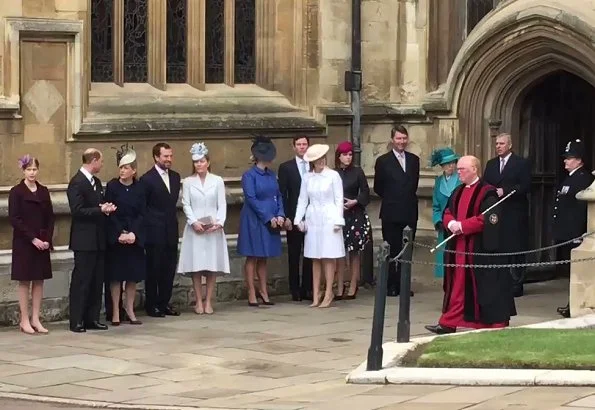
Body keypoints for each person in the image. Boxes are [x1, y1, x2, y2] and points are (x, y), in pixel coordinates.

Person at [425, 155, 516, 335]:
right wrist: (450, 223)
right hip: (458, 248)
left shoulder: (487, 192)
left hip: (478, 249)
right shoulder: (457, 191)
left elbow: (489, 219)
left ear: (474, 169)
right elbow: (448, 210)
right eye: (458, 169)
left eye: (462, 169)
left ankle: (491, 324)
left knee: (484, 289)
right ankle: (448, 322)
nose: (458, 173)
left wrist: (463, 226)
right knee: (457, 286)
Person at [177, 142, 230, 315]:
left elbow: (221, 203)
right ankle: (198, 301)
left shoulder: (217, 181)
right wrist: (193, 222)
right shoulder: (188, 182)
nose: (199, 164)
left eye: (202, 161)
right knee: (197, 265)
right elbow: (186, 203)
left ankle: (209, 301)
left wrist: (219, 222)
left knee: (211, 265)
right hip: (196, 228)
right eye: (196, 162)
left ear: (208, 162)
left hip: (213, 227)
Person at [67, 148, 115, 333]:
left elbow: (97, 204)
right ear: (93, 160)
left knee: (97, 280)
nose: (102, 165)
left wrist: (105, 207)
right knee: (82, 280)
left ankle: (92, 318)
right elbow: (77, 210)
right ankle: (77, 319)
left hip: (98, 239)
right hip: (84, 240)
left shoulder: (95, 182)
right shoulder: (77, 182)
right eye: (101, 161)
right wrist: (99, 210)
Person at [294, 144, 345, 308]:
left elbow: (339, 199)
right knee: (315, 256)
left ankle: (329, 291)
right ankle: (316, 294)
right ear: (312, 162)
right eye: (317, 159)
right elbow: (302, 199)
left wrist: (338, 220)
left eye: (323, 158)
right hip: (313, 217)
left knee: (328, 256)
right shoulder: (307, 177)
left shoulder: (333, 176)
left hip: (329, 216)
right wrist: (297, 219)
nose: (321, 161)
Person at [9, 155, 55, 334]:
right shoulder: (17, 191)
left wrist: (47, 239)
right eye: (29, 169)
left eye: (35, 169)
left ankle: (36, 318)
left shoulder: (43, 191)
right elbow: (15, 219)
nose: (32, 173)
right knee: (24, 281)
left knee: (39, 280)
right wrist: (32, 239)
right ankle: (24, 319)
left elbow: (50, 217)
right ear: (23, 171)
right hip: (24, 243)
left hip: (42, 242)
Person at [237, 136, 285, 307]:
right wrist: (268, 217)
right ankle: (251, 290)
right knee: (253, 255)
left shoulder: (272, 175)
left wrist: (280, 214)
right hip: (254, 219)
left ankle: (263, 290)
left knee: (264, 256)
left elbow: (278, 195)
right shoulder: (249, 176)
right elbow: (251, 198)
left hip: (271, 217)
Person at [373, 125, 419, 296]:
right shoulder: (383, 161)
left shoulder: (414, 160)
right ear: (392, 140)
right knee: (392, 249)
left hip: (409, 211)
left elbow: (413, 184)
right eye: (398, 138)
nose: (401, 142)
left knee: (407, 249)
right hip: (391, 212)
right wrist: (393, 197)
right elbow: (378, 187)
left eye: (404, 138)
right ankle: (391, 284)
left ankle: (404, 284)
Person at [483, 133, 531, 297]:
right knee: (498, 247)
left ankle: (517, 283)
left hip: (515, 212)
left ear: (509, 145)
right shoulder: (491, 164)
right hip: (496, 212)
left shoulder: (521, 163)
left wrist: (507, 191)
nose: (498, 146)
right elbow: (485, 184)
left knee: (516, 248)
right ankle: (500, 282)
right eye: (496, 144)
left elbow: (526, 185)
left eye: (502, 144)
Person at [104, 145, 145, 326]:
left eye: (126, 167)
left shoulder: (140, 188)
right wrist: (120, 233)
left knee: (131, 276)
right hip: (117, 237)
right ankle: (115, 311)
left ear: (133, 170)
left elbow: (142, 213)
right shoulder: (112, 186)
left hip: (134, 238)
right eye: (121, 167)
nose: (122, 171)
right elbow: (111, 212)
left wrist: (134, 233)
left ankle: (130, 309)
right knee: (116, 276)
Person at [552, 139, 594, 318]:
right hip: (565, 232)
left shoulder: (584, 179)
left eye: (569, 158)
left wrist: (579, 235)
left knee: (577, 271)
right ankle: (571, 303)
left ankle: (575, 304)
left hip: (575, 234)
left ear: (579, 160)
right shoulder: (570, 178)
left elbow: (582, 210)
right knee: (569, 271)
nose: (565, 161)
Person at [141, 142, 181, 318]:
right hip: (154, 232)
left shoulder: (175, 177)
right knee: (154, 270)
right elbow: (144, 207)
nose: (169, 159)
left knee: (168, 269)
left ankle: (164, 302)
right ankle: (152, 305)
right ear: (156, 157)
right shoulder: (147, 179)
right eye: (165, 156)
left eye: (171, 156)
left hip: (171, 229)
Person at [278, 136, 313, 301]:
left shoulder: (314, 165)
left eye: (304, 144)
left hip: (312, 216)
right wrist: (285, 216)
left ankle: (308, 287)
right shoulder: (286, 167)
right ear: (293, 147)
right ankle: (295, 289)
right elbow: (282, 194)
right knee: (294, 253)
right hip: (293, 216)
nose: (302, 147)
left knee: (310, 253)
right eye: (298, 144)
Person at [334, 141, 371, 299]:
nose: (348, 158)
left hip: (355, 215)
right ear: (339, 156)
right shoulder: (334, 173)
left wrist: (355, 201)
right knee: (339, 252)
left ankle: (353, 285)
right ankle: (340, 286)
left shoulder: (357, 172)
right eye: (345, 155)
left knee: (354, 252)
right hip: (339, 215)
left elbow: (365, 193)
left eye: (350, 155)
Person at [430, 147, 461, 278]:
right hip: (444, 225)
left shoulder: (461, 180)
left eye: (453, 163)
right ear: (442, 166)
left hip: (459, 224)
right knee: (445, 260)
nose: (451, 166)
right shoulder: (438, 182)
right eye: (448, 164)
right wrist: (438, 221)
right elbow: (436, 206)